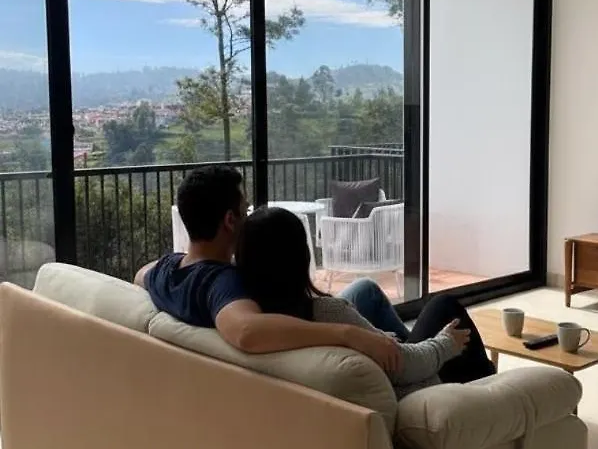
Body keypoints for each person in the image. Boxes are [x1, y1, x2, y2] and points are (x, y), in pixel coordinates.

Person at [135, 166, 404, 374]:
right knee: (374, 298)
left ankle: (409, 345)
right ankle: (410, 353)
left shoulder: (167, 269)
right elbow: (246, 331)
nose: (249, 217)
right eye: (245, 210)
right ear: (230, 220)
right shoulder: (222, 283)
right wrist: (348, 334)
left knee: (365, 289)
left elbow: (139, 276)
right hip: (305, 321)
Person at [235, 206, 496, 396]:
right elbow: (404, 367)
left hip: (389, 358)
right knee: (445, 307)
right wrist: (444, 345)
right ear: (300, 257)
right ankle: (496, 395)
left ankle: (404, 341)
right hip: (408, 387)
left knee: (365, 289)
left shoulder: (244, 311)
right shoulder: (328, 313)